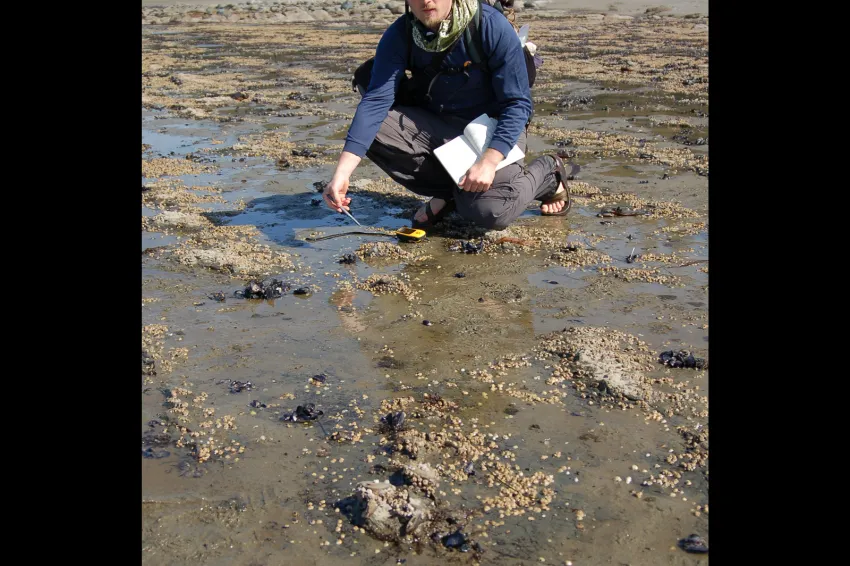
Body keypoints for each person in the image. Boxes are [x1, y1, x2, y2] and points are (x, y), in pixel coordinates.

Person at [323, 0, 572, 231]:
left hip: (495, 126)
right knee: (374, 132)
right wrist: (342, 174)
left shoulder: (490, 25)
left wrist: (488, 162)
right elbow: (376, 102)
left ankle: (550, 173)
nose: (427, 1)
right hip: (441, 123)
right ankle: (453, 192)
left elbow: (517, 104)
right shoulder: (400, 33)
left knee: (489, 212)